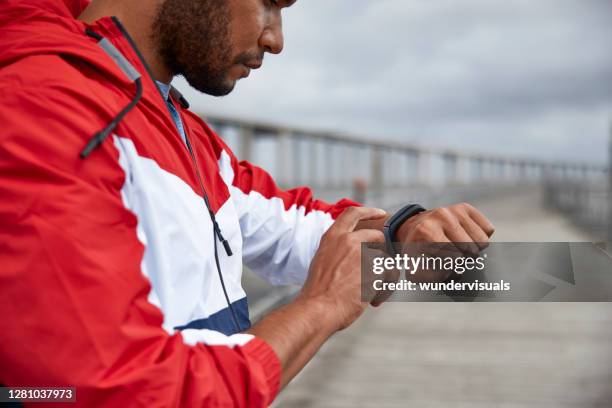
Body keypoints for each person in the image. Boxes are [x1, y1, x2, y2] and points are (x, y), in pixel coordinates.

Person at [0, 0, 495, 406]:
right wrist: (319, 309)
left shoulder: (172, 122)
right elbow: (118, 391)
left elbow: (291, 225)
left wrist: (405, 232)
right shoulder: (43, 105)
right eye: (269, 4)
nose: (275, 39)